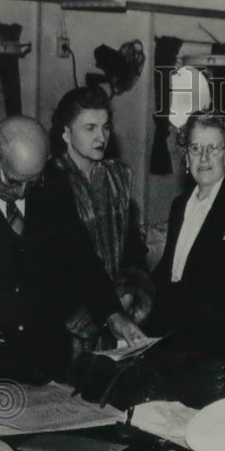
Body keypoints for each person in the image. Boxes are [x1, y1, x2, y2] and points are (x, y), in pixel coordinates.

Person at [0, 116, 146, 383]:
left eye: (32, 182)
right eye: (13, 181)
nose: (22, 193)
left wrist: (112, 314)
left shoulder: (52, 183)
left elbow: (81, 256)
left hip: (46, 360)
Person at [149, 111, 225, 394]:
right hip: (174, 344)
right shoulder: (180, 205)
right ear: (186, 156)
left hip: (218, 353)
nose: (203, 157)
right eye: (195, 148)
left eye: (213, 148)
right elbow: (171, 271)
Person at [48, 86, 154, 352]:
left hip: (118, 312)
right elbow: (75, 260)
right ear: (66, 133)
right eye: (90, 128)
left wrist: (129, 292)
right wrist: (111, 310)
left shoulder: (116, 178)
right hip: (67, 325)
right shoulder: (50, 183)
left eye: (105, 127)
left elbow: (133, 247)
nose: (101, 137)